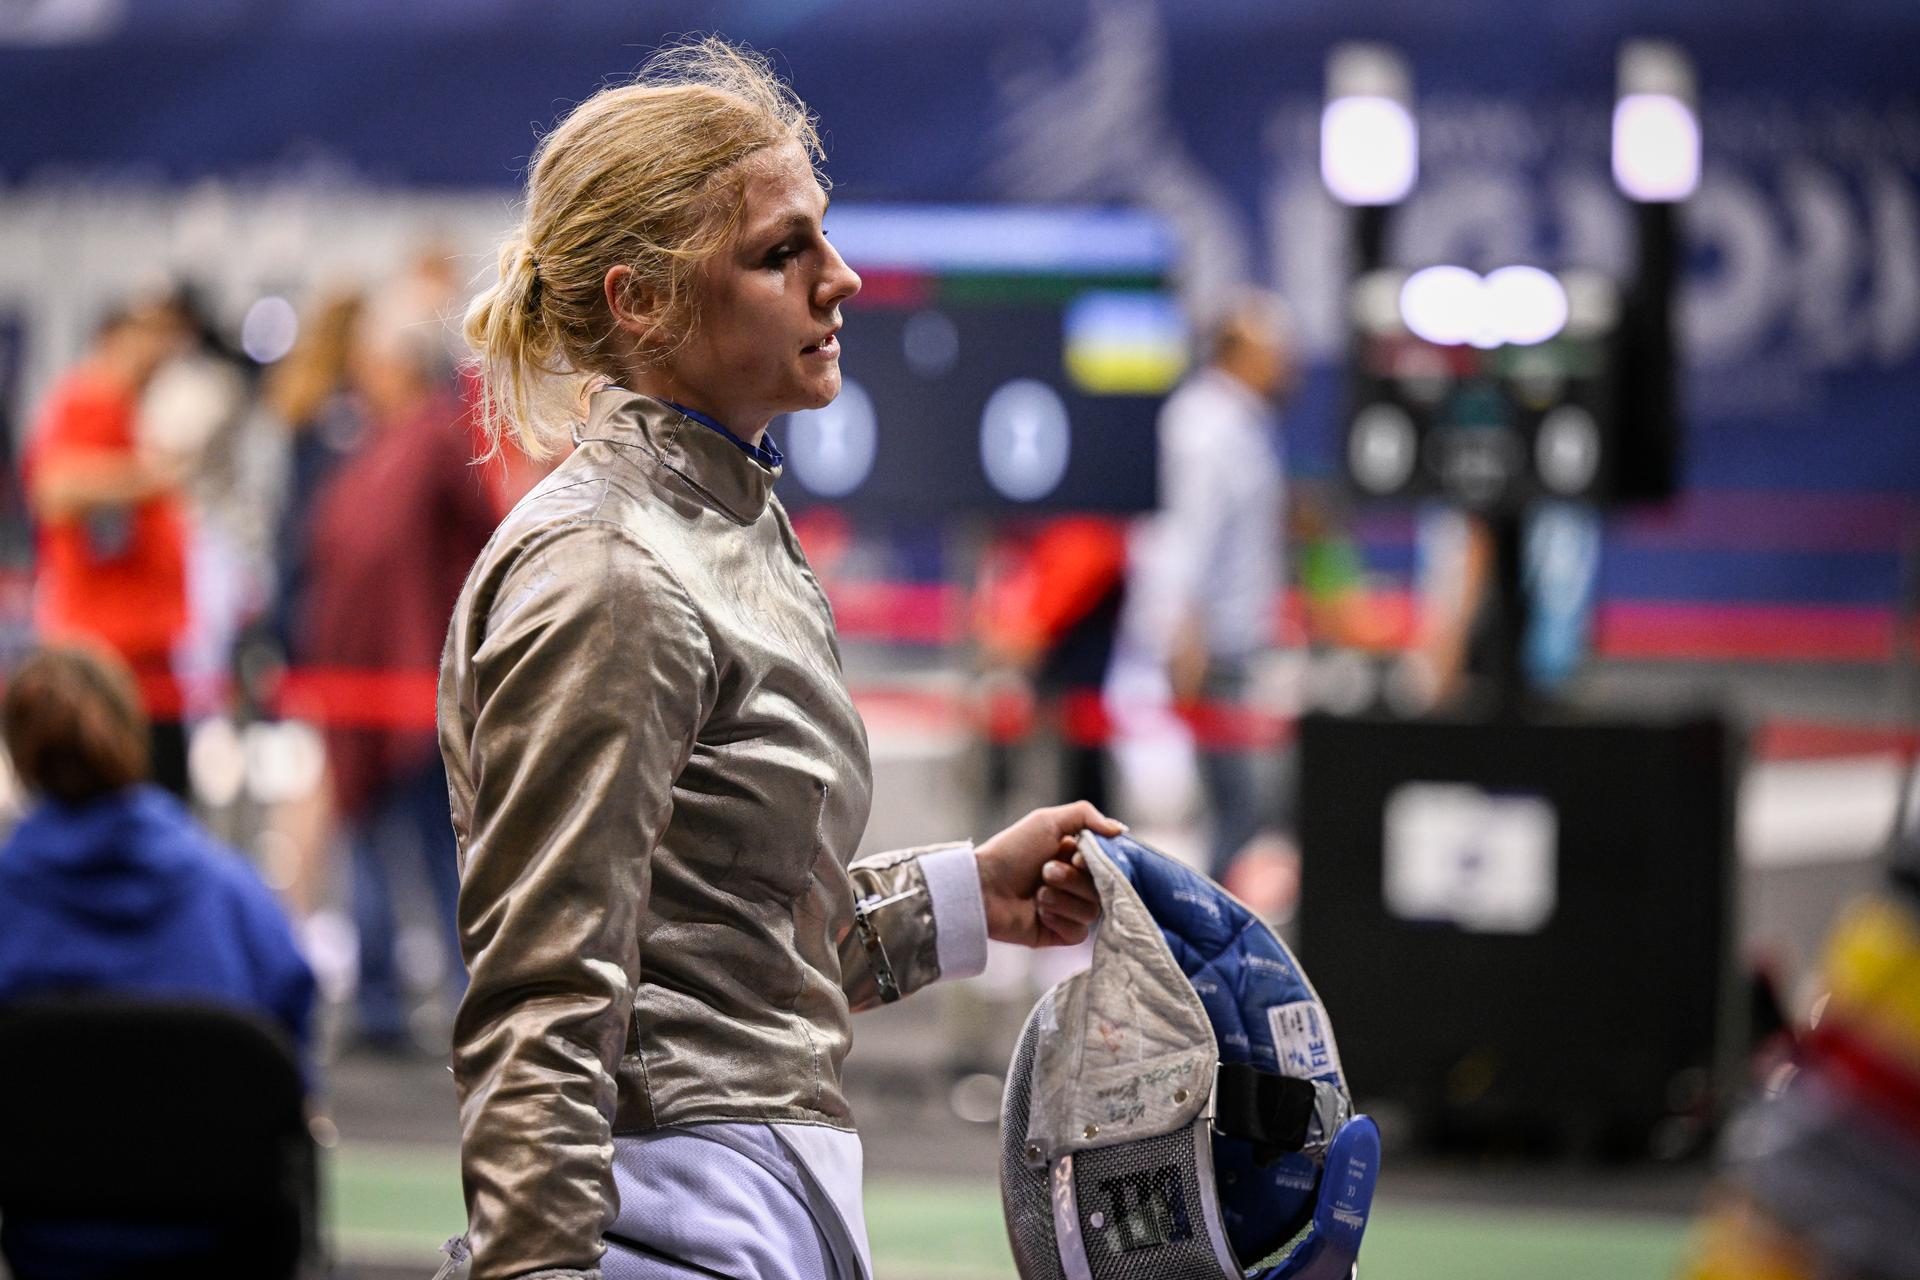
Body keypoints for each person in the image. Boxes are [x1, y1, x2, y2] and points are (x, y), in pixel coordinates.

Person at [447, 38, 1119, 1280]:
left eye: (824, 235)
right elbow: (545, 997)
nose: (841, 277)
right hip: (662, 1225)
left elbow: (732, 957)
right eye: (780, 252)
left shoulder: (722, 526)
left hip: (748, 1209)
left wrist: (971, 893)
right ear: (641, 301)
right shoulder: (607, 571)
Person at [0, 643, 316, 1274]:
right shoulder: (235, 895)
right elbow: (295, 1060)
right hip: (221, 1244)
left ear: (21, 756)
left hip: (47, 1245)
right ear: (133, 737)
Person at [303, 281, 502, 1051]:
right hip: (363, 689)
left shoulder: (434, 441)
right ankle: (382, 1000)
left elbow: (487, 540)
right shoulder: (374, 445)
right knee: (376, 846)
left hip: (419, 691)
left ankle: (471, 1000)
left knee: (441, 849)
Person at [1126, 292, 1297, 880]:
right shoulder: (1204, 427)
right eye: (1273, 351)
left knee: (1242, 810)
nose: (1285, 364)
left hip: (1236, 641)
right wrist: (1184, 632)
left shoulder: (1244, 422)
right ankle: (1207, 924)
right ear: (1237, 352)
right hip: (1210, 645)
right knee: (1237, 808)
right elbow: (1187, 536)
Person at [22, 296, 194, 794]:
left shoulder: (123, 412)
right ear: (114, 338)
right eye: (150, 333)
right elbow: (54, 488)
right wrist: (149, 478)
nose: (161, 348)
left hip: (139, 659)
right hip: (109, 662)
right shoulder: (89, 401)